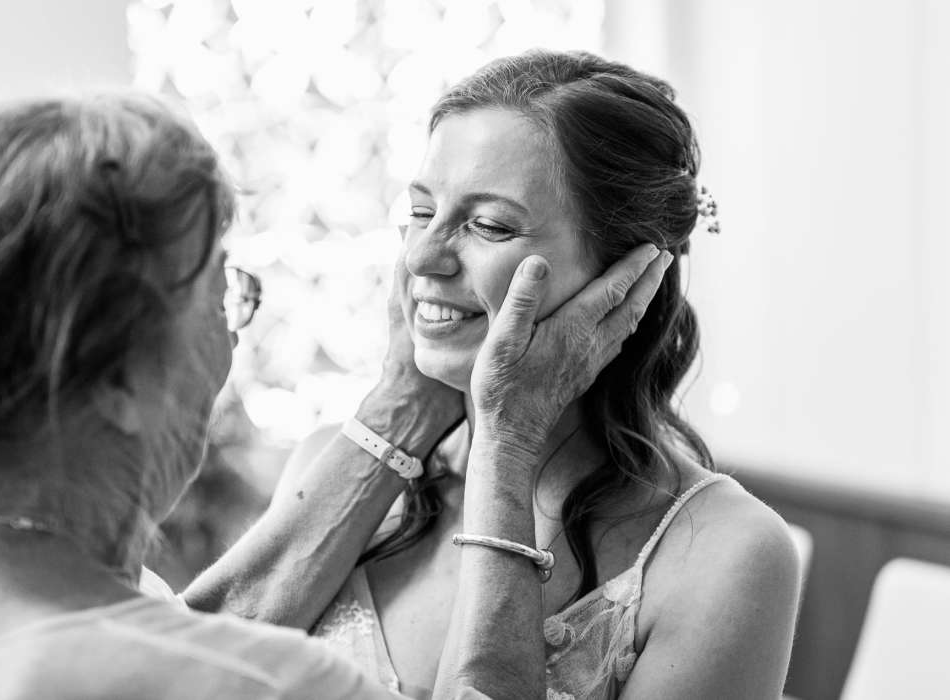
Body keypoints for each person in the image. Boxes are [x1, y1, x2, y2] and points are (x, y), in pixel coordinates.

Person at [0, 90, 665, 699]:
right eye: (219, 293)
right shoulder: (268, 688)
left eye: (487, 225)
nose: (234, 335)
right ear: (117, 376)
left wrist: (406, 406)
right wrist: (510, 437)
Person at [186, 50, 800, 699]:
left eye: (489, 225)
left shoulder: (727, 552)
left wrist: (509, 441)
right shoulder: (326, 463)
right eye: (421, 211)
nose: (423, 256)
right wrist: (397, 408)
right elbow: (174, 675)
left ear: (626, 276)